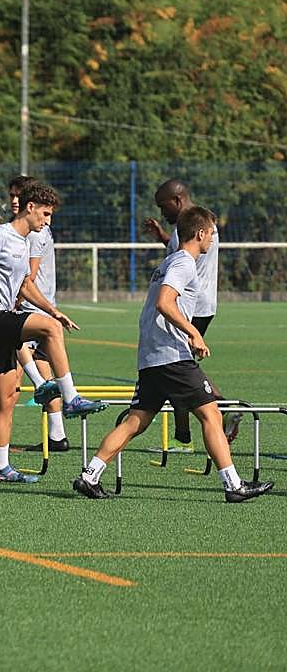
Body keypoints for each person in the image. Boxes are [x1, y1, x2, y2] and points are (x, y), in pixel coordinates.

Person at [73, 206, 272, 503]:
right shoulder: (184, 263)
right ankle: (233, 485)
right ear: (201, 233)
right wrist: (193, 333)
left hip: (153, 356)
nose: (213, 240)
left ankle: (90, 476)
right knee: (211, 414)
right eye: (213, 234)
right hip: (171, 355)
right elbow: (165, 303)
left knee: (135, 421)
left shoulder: (171, 261)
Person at [0, 182, 101, 483]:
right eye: (45, 214)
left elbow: (25, 286)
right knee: (48, 331)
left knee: (7, 397)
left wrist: (53, 310)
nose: (47, 221)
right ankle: (71, 397)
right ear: (30, 207)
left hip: (1, 321)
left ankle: (0, 467)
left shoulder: (23, 243)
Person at [142, 179, 226, 452]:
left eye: (163, 206)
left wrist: (192, 331)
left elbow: (181, 263)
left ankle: (207, 416)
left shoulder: (193, 231)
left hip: (190, 307)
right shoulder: (201, 224)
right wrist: (162, 237)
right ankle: (185, 432)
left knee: (179, 365)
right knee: (181, 365)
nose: (162, 212)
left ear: (177, 201)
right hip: (201, 305)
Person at [8, 175, 72, 453]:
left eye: (18, 195)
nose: (13, 200)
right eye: (11, 194)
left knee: (12, 371)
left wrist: (14, 302)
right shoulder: (37, 230)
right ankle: (57, 435)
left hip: (30, 308)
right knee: (42, 369)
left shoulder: (35, 232)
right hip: (41, 306)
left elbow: (28, 276)